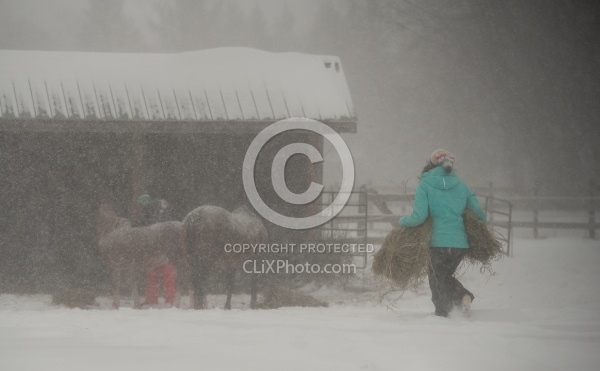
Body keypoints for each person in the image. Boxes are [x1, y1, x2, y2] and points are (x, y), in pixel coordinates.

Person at [399, 149, 487, 317]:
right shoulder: (461, 186)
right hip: (460, 244)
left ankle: (448, 310)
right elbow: (479, 213)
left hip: (438, 242)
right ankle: (456, 307)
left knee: (437, 279)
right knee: (443, 277)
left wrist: (402, 221)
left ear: (431, 165)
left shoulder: (425, 185)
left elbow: (418, 217)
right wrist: (481, 226)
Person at [137, 193, 177, 307]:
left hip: (156, 245)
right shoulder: (162, 208)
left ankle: (152, 299)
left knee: (153, 274)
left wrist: (137, 225)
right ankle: (169, 300)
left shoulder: (149, 209)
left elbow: (150, 224)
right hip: (164, 245)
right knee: (166, 274)